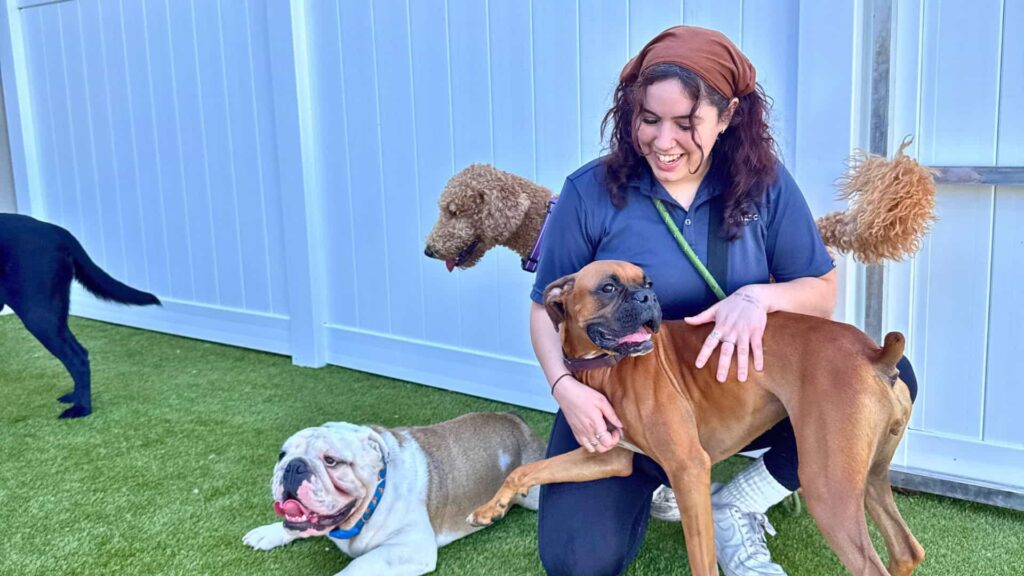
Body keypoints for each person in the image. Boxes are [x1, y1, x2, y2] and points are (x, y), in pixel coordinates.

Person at [528, 25, 919, 576]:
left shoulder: (765, 184)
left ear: (728, 116)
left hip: (737, 397)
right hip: (617, 400)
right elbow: (543, 309)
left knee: (879, 378)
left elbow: (822, 290)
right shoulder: (588, 191)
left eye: (687, 124)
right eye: (649, 120)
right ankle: (654, 477)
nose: (664, 141)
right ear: (630, 114)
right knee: (577, 562)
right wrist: (565, 388)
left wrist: (758, 297)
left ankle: (741, 501)